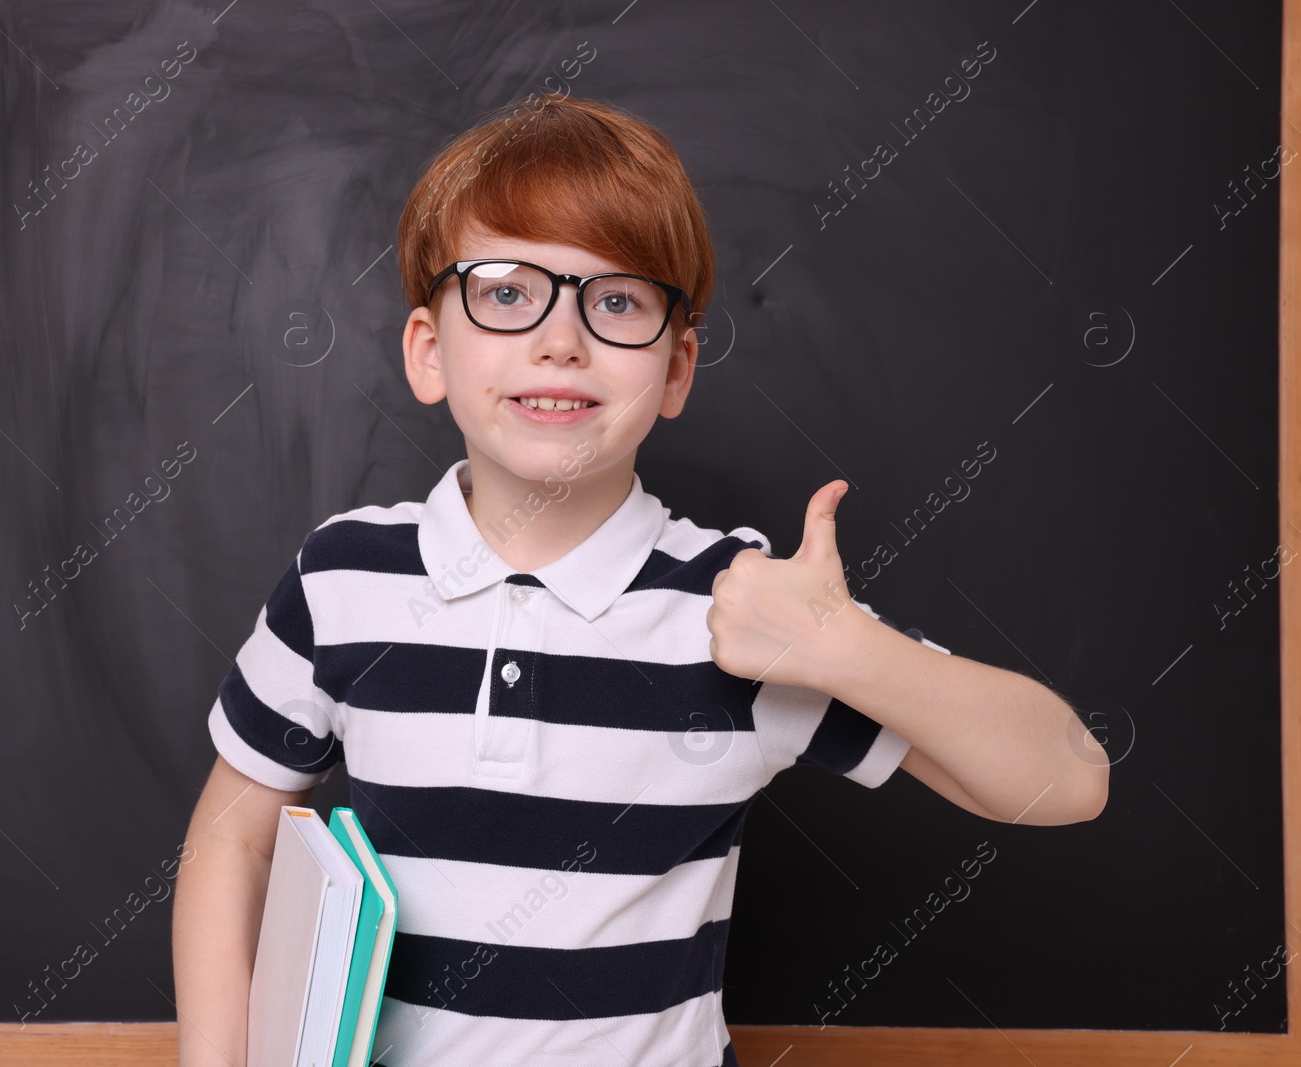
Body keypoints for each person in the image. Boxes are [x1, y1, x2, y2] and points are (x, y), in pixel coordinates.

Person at [172, 93, 1108, 1067]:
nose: (559, 339)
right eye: (503, 289)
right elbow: (230, 842)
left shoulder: (743, 608)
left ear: (675, 370)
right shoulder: (343, 579)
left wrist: (844, 645)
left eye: (616, 300)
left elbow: (1069, 778)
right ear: (426, 350)